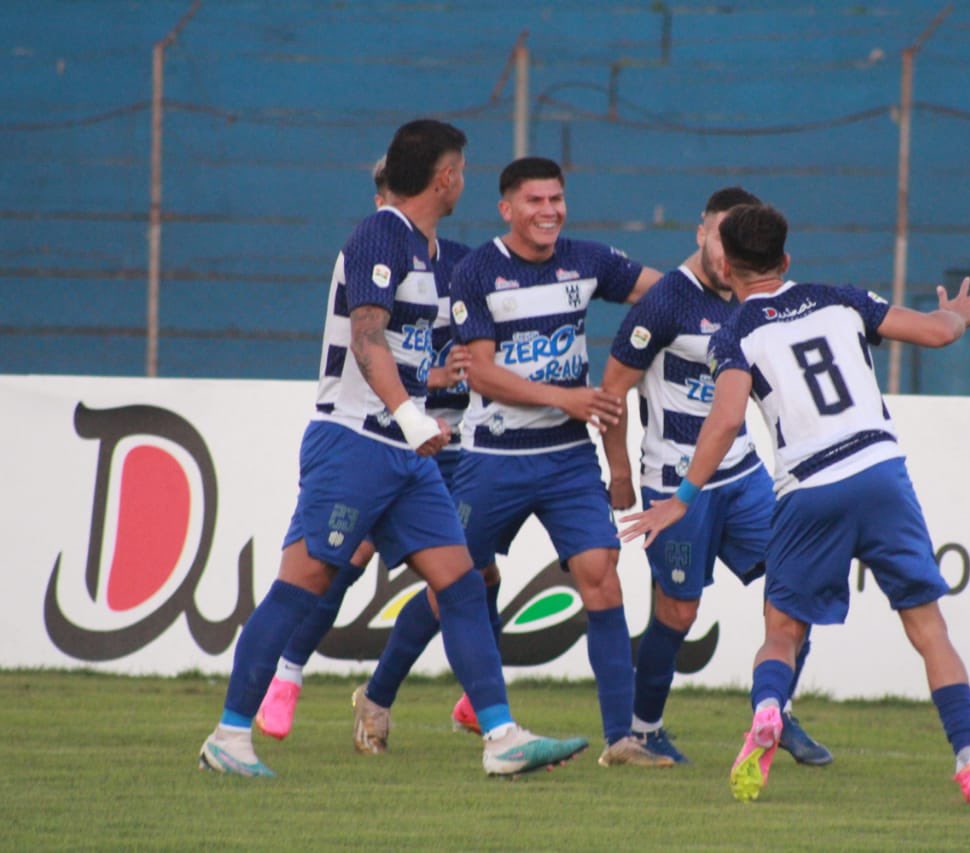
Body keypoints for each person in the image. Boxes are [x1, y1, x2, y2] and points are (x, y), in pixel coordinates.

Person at [198, 119, 588, 778]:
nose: (462, 179)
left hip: (405, 453)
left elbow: (407, 349)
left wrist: (420, 410)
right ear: (445, 177)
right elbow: (367, 338)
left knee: (460, 583)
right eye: (461, 170)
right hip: (354, 441)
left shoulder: (434, 252)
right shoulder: (381, 233)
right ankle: (230, 735)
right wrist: (413, 418)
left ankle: (500, 737)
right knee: (303, 585)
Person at [620, 203, 970, 805]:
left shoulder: (736, 332)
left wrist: (682, 498)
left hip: (810, 486)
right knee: (929, 630)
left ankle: (770, 708)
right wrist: (958, 314)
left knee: (782, 631)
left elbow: (724, 421)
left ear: (726, 263)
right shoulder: (839, 298)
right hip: (881, 473)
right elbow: (935, 332)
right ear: (787, 259)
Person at [253, 156, 488, 752]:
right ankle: (285, 674)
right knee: (337, 561)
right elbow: (373, 349)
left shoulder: (454, 260)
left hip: (451, 442)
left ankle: (450, 705)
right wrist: (427, 388)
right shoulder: (375, 247)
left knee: (470, 576)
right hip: (379, 435)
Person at [448, 156, 673, 767]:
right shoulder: (477, 272)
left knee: (601, 573)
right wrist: (566, 397)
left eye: (556, 199)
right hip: (492, 458)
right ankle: (382, 696)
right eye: (534, 202)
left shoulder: (587, 260)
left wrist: (727, 278)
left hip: (568, 459)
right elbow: (485, 374)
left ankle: (620, 740)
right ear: (506, 209)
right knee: (455, 580)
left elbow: (671, 293)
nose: (548, 211)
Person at [600, 187, 831, 766]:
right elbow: (612, 392)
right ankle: (644, 731)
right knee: (678, 613)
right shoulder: (664, 301)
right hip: (674, 480)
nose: (725, 251)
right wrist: (621, 471)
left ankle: (776, 710)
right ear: (701, 232)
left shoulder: (755, 299)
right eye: (719, 234)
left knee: (793, 587)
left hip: (744, 474)